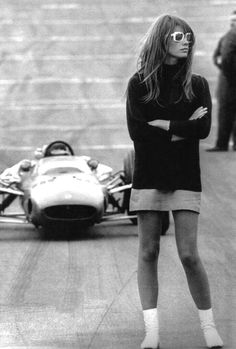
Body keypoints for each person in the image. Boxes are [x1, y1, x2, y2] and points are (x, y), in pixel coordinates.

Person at [126, 14, 223, 349]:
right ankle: (151, 332)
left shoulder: (197, 85)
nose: (186, 41)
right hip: (149, 175)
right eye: (179, 36)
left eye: (189, 37)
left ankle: (209, 327)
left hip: (184, 176)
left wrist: (163, 124)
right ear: (162, 39)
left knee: (189, 255)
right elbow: (138, 133)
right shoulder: (139, 84)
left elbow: (203, 130)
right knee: (149, 251)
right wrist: (182, 126)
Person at [207, 10, 236, 151]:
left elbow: (220, 58)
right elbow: (218, 57)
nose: (232, 23)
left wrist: (225, 68)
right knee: (226, 113)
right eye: (232, 20)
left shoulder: (229, 36)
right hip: (227, 80)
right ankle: (225, 144)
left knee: (225, 114)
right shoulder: (228, 36)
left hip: (228, 81)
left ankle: (222, 144)